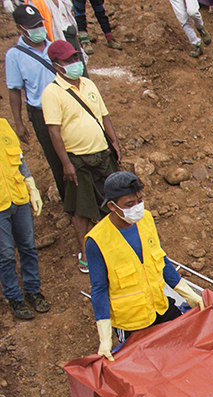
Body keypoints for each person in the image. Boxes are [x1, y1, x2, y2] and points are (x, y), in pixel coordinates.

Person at [85, 172, 205, 360]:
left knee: (186, 350)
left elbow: (160, 259)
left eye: (139, 201)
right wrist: (105, 337)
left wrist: (187, 293)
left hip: (160, 306)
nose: (137, 208)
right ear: (112, 206)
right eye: (129, 204)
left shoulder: (146, 219)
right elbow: (99, 289)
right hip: (132, 323)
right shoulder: (97, 241)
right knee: (149, 366)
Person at [42, 40, 120, 273]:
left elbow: (104, 116)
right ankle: (86, 254)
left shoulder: (88, 84)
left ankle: (114, 245)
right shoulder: (52, 93)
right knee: (82, 209)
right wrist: (66, 163)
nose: (75, 63)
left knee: (112, 201)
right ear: (57, 65)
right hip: (78, 158)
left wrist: (114, 141)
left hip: (102, 154)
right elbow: (53, 131)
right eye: (69, 60)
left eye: (76, 58)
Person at [6, 4, 64, 200]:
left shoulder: (53, 46)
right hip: (42, 113)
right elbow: (14, 90)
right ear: (20, 29)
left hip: (65, 106)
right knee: (56, 159)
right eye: (33, 26)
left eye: (40, 24)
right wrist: (19, 124)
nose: (38, 29)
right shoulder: (14, 56)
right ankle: (69, 201)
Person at [0, 115, 46, 321]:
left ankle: (32, 290)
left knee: (28, 246)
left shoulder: (4, 126)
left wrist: (31, 185)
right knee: (6, 254)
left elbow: (19, 160)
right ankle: (13, 297)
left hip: (18, 199)